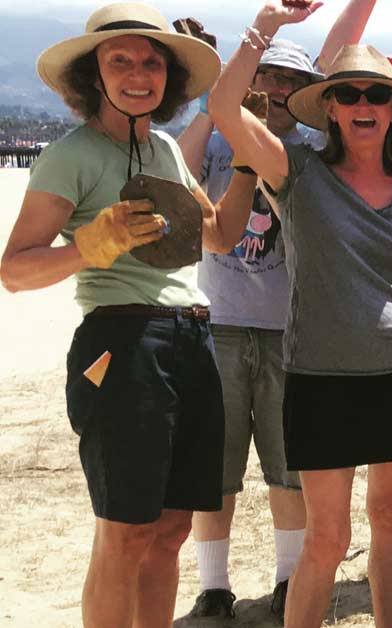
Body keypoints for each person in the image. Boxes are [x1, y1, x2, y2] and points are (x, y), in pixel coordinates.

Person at [211, 2, 392, 625]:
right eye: (348, 93)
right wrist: (266, 26)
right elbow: (222, 110)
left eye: (376, 92)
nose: (363, 102)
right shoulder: (297, 172)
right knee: (328, 539)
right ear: (332, 108)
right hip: (320, 378)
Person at [3, 4, 225, 626]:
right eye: (119, 59)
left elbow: (216, 235)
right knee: (125, 532)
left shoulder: (165, 150)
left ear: (168, 79)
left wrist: (247, 158)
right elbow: (14, 269)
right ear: (92, 75)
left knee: (173, 529)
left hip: (192, 335)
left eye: (152, 61)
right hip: (120, 342)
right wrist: (86, 248)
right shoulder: (71, 155)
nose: (138, 72)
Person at [172, 37, 323, 621]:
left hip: (291, 327)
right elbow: (174, 170)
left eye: (291, 79)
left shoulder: (311, 151)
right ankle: (214, 584)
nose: (280, 90)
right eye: (269, 76)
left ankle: (289, 578)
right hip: (220, 320)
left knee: (290, 467)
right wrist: (217, 105)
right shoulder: (215, 142)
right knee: (219, 465)